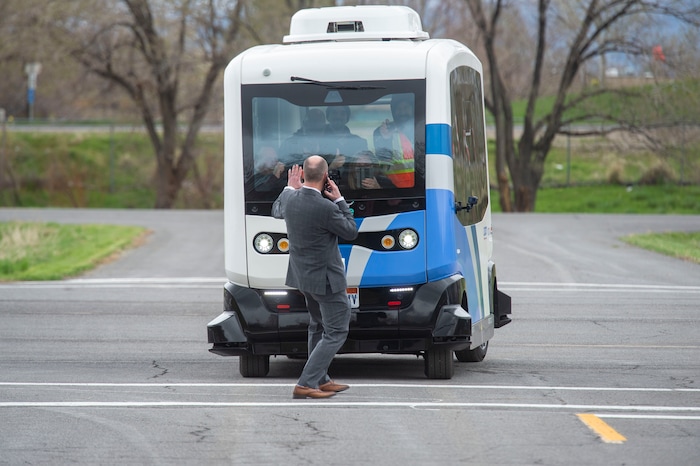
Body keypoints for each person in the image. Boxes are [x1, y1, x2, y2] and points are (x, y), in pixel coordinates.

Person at [272, 155, 358, 399]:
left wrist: (289, 187)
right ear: (324, 176)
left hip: (303, 278)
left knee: (318, 325)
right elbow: (351, 231)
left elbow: (276, 210)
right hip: (326, 280)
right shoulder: (326, 207)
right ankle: (306, 382)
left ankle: (321, 378)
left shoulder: (289, 198)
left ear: (302, 176)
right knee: (337, 332)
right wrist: (340, 199)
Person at [372, 94, 415, 188]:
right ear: (393, 111)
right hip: (392, 190)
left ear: (412, 109)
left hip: (421, 191)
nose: (402, 112)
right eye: (398, 109)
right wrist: (385, 139)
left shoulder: (423, 129)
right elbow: (383, 162)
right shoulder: (382, 131)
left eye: (406, 107)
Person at [322, 105, 368, 171]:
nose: (338, 116)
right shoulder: (318, 142)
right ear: (328, 117)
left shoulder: (360, 142)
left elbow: (365, 167)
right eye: (334, 113)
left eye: (342, 113)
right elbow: (314, 173)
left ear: (347, 118)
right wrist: (331, 167)